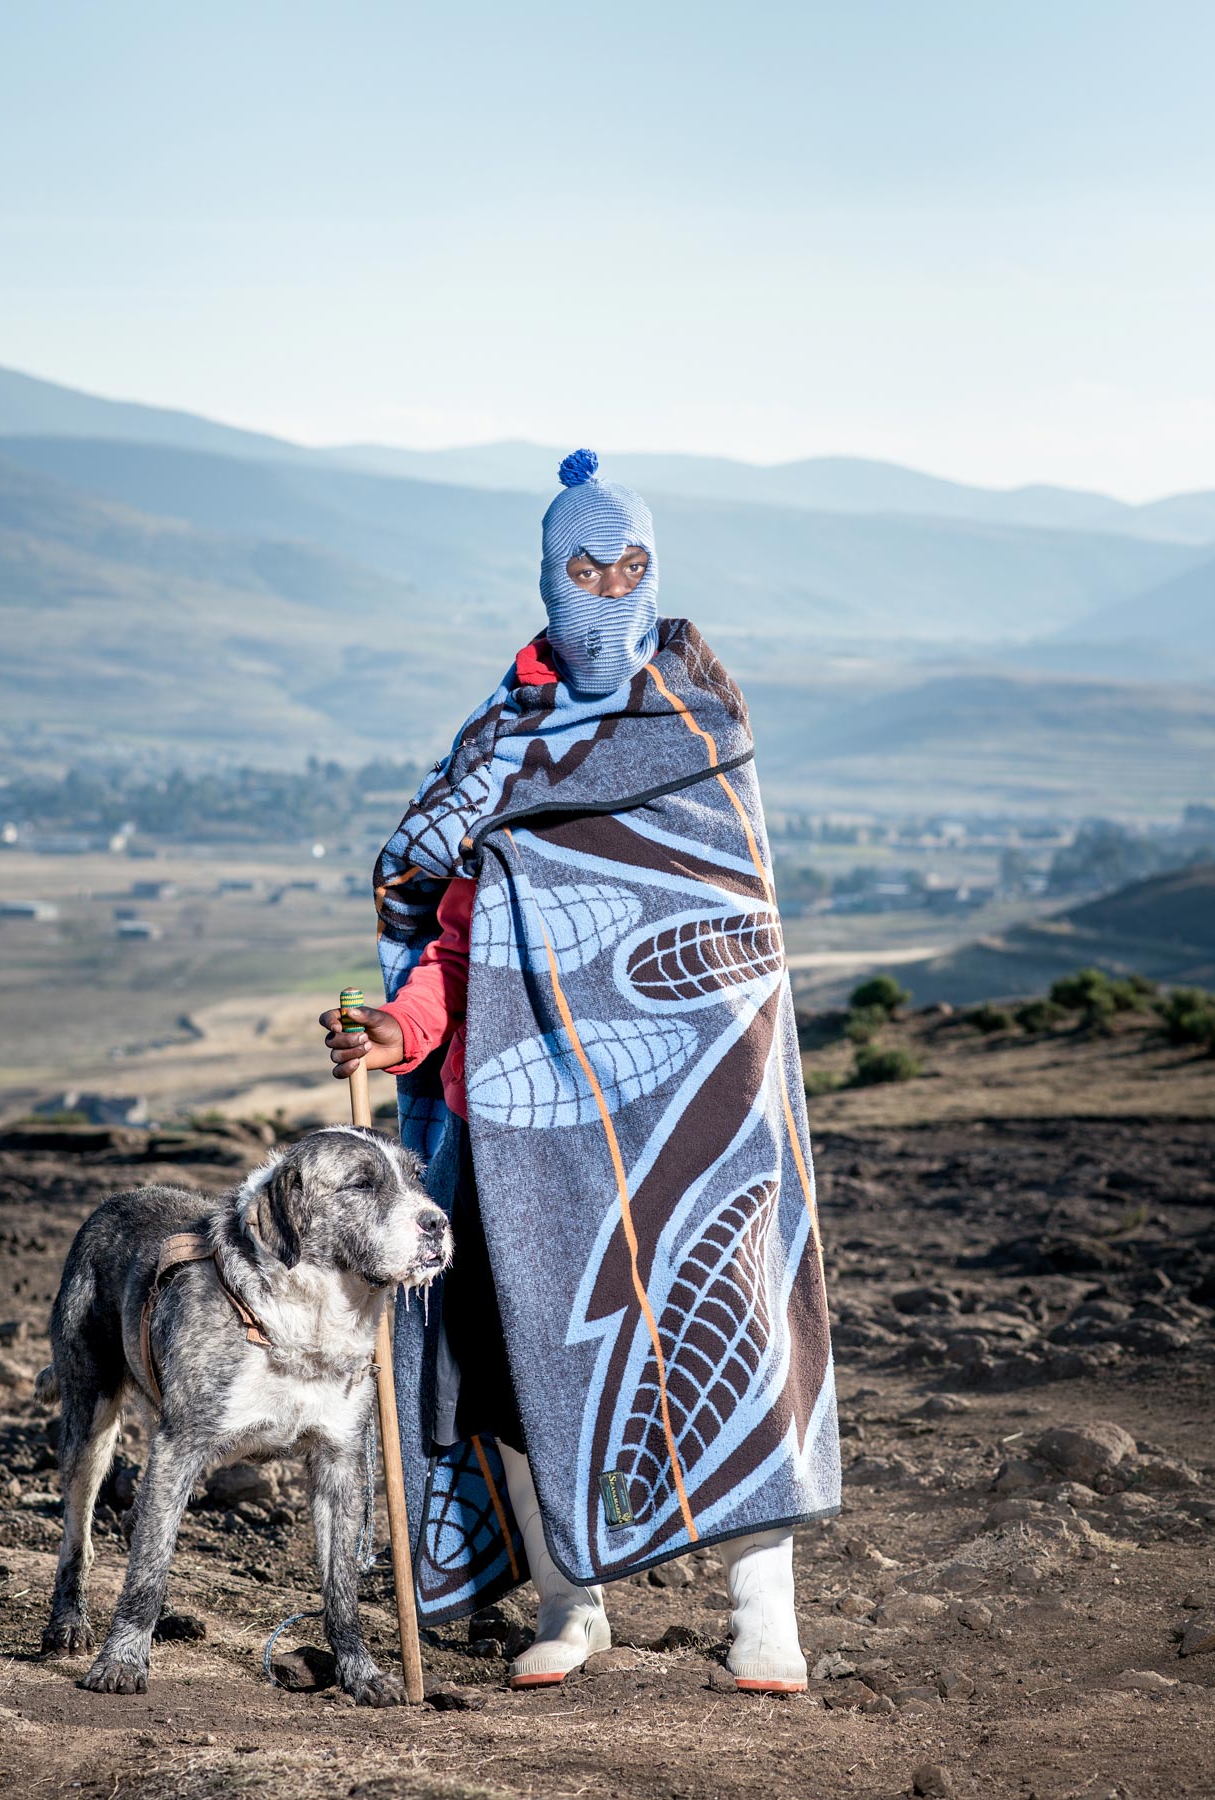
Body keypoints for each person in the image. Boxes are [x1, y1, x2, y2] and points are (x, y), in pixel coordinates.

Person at [321, 450, 839, 1691]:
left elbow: (732, 920)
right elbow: (455, 928)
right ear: (550, 576)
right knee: (511, 1345)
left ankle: (765, 1614)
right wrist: (403, 1031)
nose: (610, 586)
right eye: (586, 566)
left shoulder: (697, 721)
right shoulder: (499, 740)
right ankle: (572, 1603)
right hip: (518, 1119)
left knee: (730, 1322)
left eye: (633, 566)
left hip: (690, 1105)